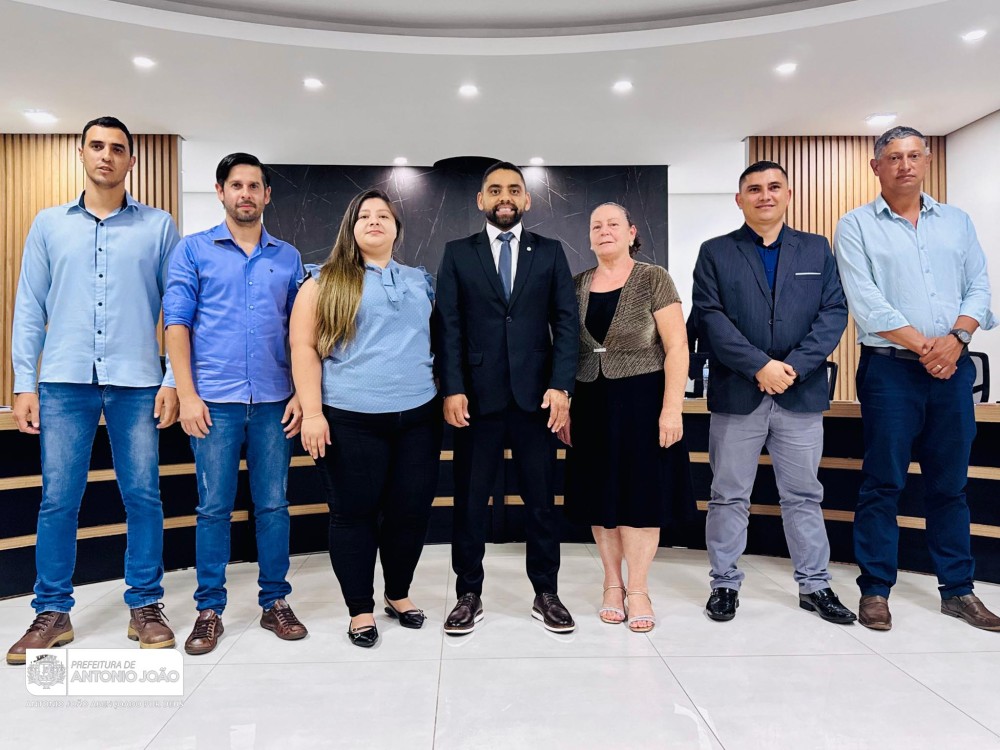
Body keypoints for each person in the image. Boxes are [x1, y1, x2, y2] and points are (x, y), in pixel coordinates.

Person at [7, 116, 180, 664]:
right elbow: (29, 306)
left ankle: (145, 605)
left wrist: (173, 379)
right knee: (59, 500)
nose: (107, 155)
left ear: (132, 161)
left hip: (137, 380)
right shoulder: (48, 224)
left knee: (143, 496)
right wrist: (23, 382)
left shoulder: (158, 227)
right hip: (63, 381)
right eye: (97, 146)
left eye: (117, 148)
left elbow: (179, 311)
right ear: (81, 154)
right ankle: (52, 612)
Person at [834, 126, 1000, 632]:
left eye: (913, 155)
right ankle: (875, 590)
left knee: (950, 485)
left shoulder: (956, 222)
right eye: (893, 157)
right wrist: (928, 347)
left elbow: (979, 287)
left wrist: (957, 339)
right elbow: (866, 301)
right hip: (890, 370)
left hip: (953, 369)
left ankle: (958, 590)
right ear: (876, 166)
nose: (904, 165)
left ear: (926, 161)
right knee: (883, 482)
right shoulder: (856, 225)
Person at [692, 160, 856, 625]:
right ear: (739, 199)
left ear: (788, 195)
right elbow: (710, 317)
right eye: (754, 189)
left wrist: (792, 368)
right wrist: (759, 366)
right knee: (728, 495)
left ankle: (815, 585)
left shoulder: (816, 249)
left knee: (803, 494)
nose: (765, 195)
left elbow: (834, 312)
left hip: (799, 395)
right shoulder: (715, 252)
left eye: (774, 187)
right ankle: (724, 584)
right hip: (737, 393)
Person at [163, 152, 307, 655]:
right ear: (221, 191)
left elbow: (301, 333)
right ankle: (209, 611)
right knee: (213, 509)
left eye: (254, 186)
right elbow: (176, 325)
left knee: (274, 506)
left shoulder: (288, 258)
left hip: (274, 402)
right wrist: (186, 394)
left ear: (267, 194)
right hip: (213, 403)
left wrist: (301, 393)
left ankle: (275, 602)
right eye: (236, 185)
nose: (246, 194)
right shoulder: (192, 250)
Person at [290, 189, 440, 648]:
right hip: (349, 418)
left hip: (419, 417)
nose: (374, 221)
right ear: (351, 228)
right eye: (364, 216)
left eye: (383, 216)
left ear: (397, 229)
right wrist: (312, 412)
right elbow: (303, 348)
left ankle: (398, 593)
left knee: (409, 513)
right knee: (353, 515)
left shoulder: (420, 281)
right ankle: (360, 608)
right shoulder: (322, 282)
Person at [434, 161, 579, 634]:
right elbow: (448, 326)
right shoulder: (458, 253)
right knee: (470, 502)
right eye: (495, 190)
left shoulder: (550, 252)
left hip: (538, 400)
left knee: (541, 502)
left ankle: (546, 593)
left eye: (514, 190)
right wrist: (453, 387)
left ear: (527, 200)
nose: (505, 197)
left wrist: (561, 386)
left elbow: (567, 324)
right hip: (476, 400)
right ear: (481, 200)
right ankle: (468, 594)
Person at [558, 202, 692, 633]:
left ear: (631, 232)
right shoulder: (577, 284)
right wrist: (565, 403)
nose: (604, 231)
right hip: (590, 400)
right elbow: (567, 350)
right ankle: (611, 584)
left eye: (613, 224)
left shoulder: (653, 277)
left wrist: (672, 408)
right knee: (601, 496)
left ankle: (638, 589)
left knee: (640, 497)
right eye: (596, 225)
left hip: (643, 400)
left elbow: (677, 347)